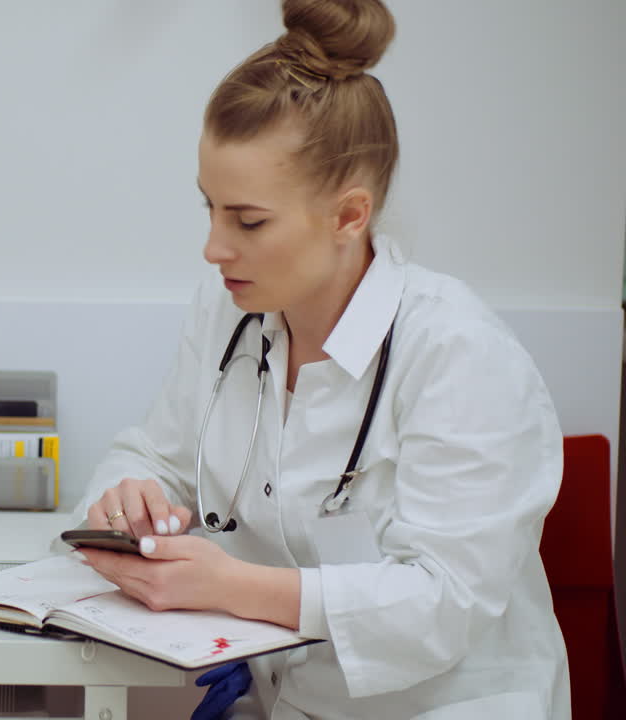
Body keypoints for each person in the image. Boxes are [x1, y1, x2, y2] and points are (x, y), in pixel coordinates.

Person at [71, 1, 570, 717]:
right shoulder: (230, 312)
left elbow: (442, 602)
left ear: (349, 215)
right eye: (208, 209)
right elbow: (157, 454)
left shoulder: (458, 353)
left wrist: (229, 585)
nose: (214, 248)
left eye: (247, 221)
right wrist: (130, 492)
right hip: (288, 700)